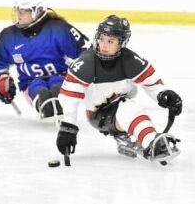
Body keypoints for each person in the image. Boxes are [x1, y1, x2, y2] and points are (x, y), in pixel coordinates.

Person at [55, 15, 183, 164]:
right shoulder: (86, 62)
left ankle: (125, 135)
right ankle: (151, 143)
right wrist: (68, 127)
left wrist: (164, 94)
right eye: (101, 39)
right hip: (98, 114)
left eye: (110, 41)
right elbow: (69, 96)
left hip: (119, 104)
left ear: (121, 43)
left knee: (126, 105)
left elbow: (152, 82)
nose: (103, 45)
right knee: (129, 107)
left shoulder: (129, 60)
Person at [0, 0, 89, 119]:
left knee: (57, 88)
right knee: (42, 95)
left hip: (60, 75)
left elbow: (84, 48)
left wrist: (88, 73)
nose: (18, 14)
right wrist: (2, 79)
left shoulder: (58, 29)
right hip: (30, 82)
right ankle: (44, 104)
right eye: (18, 10)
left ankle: (60, 100)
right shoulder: (9, 36)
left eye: (23, 11)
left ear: (37, 11)